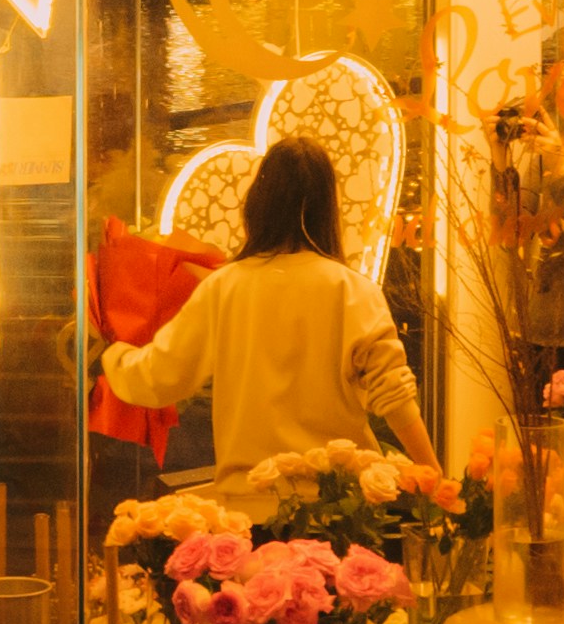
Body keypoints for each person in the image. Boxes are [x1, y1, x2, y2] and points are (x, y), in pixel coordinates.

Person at [99, 141, 420, 473]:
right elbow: (394, 396)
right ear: (328, 207)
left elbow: (159, 376)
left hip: (250, 499)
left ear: (257, 203)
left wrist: (112, 354)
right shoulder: (353, 291)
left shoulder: (224, 288)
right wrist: (433, 477)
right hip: (341, 503)